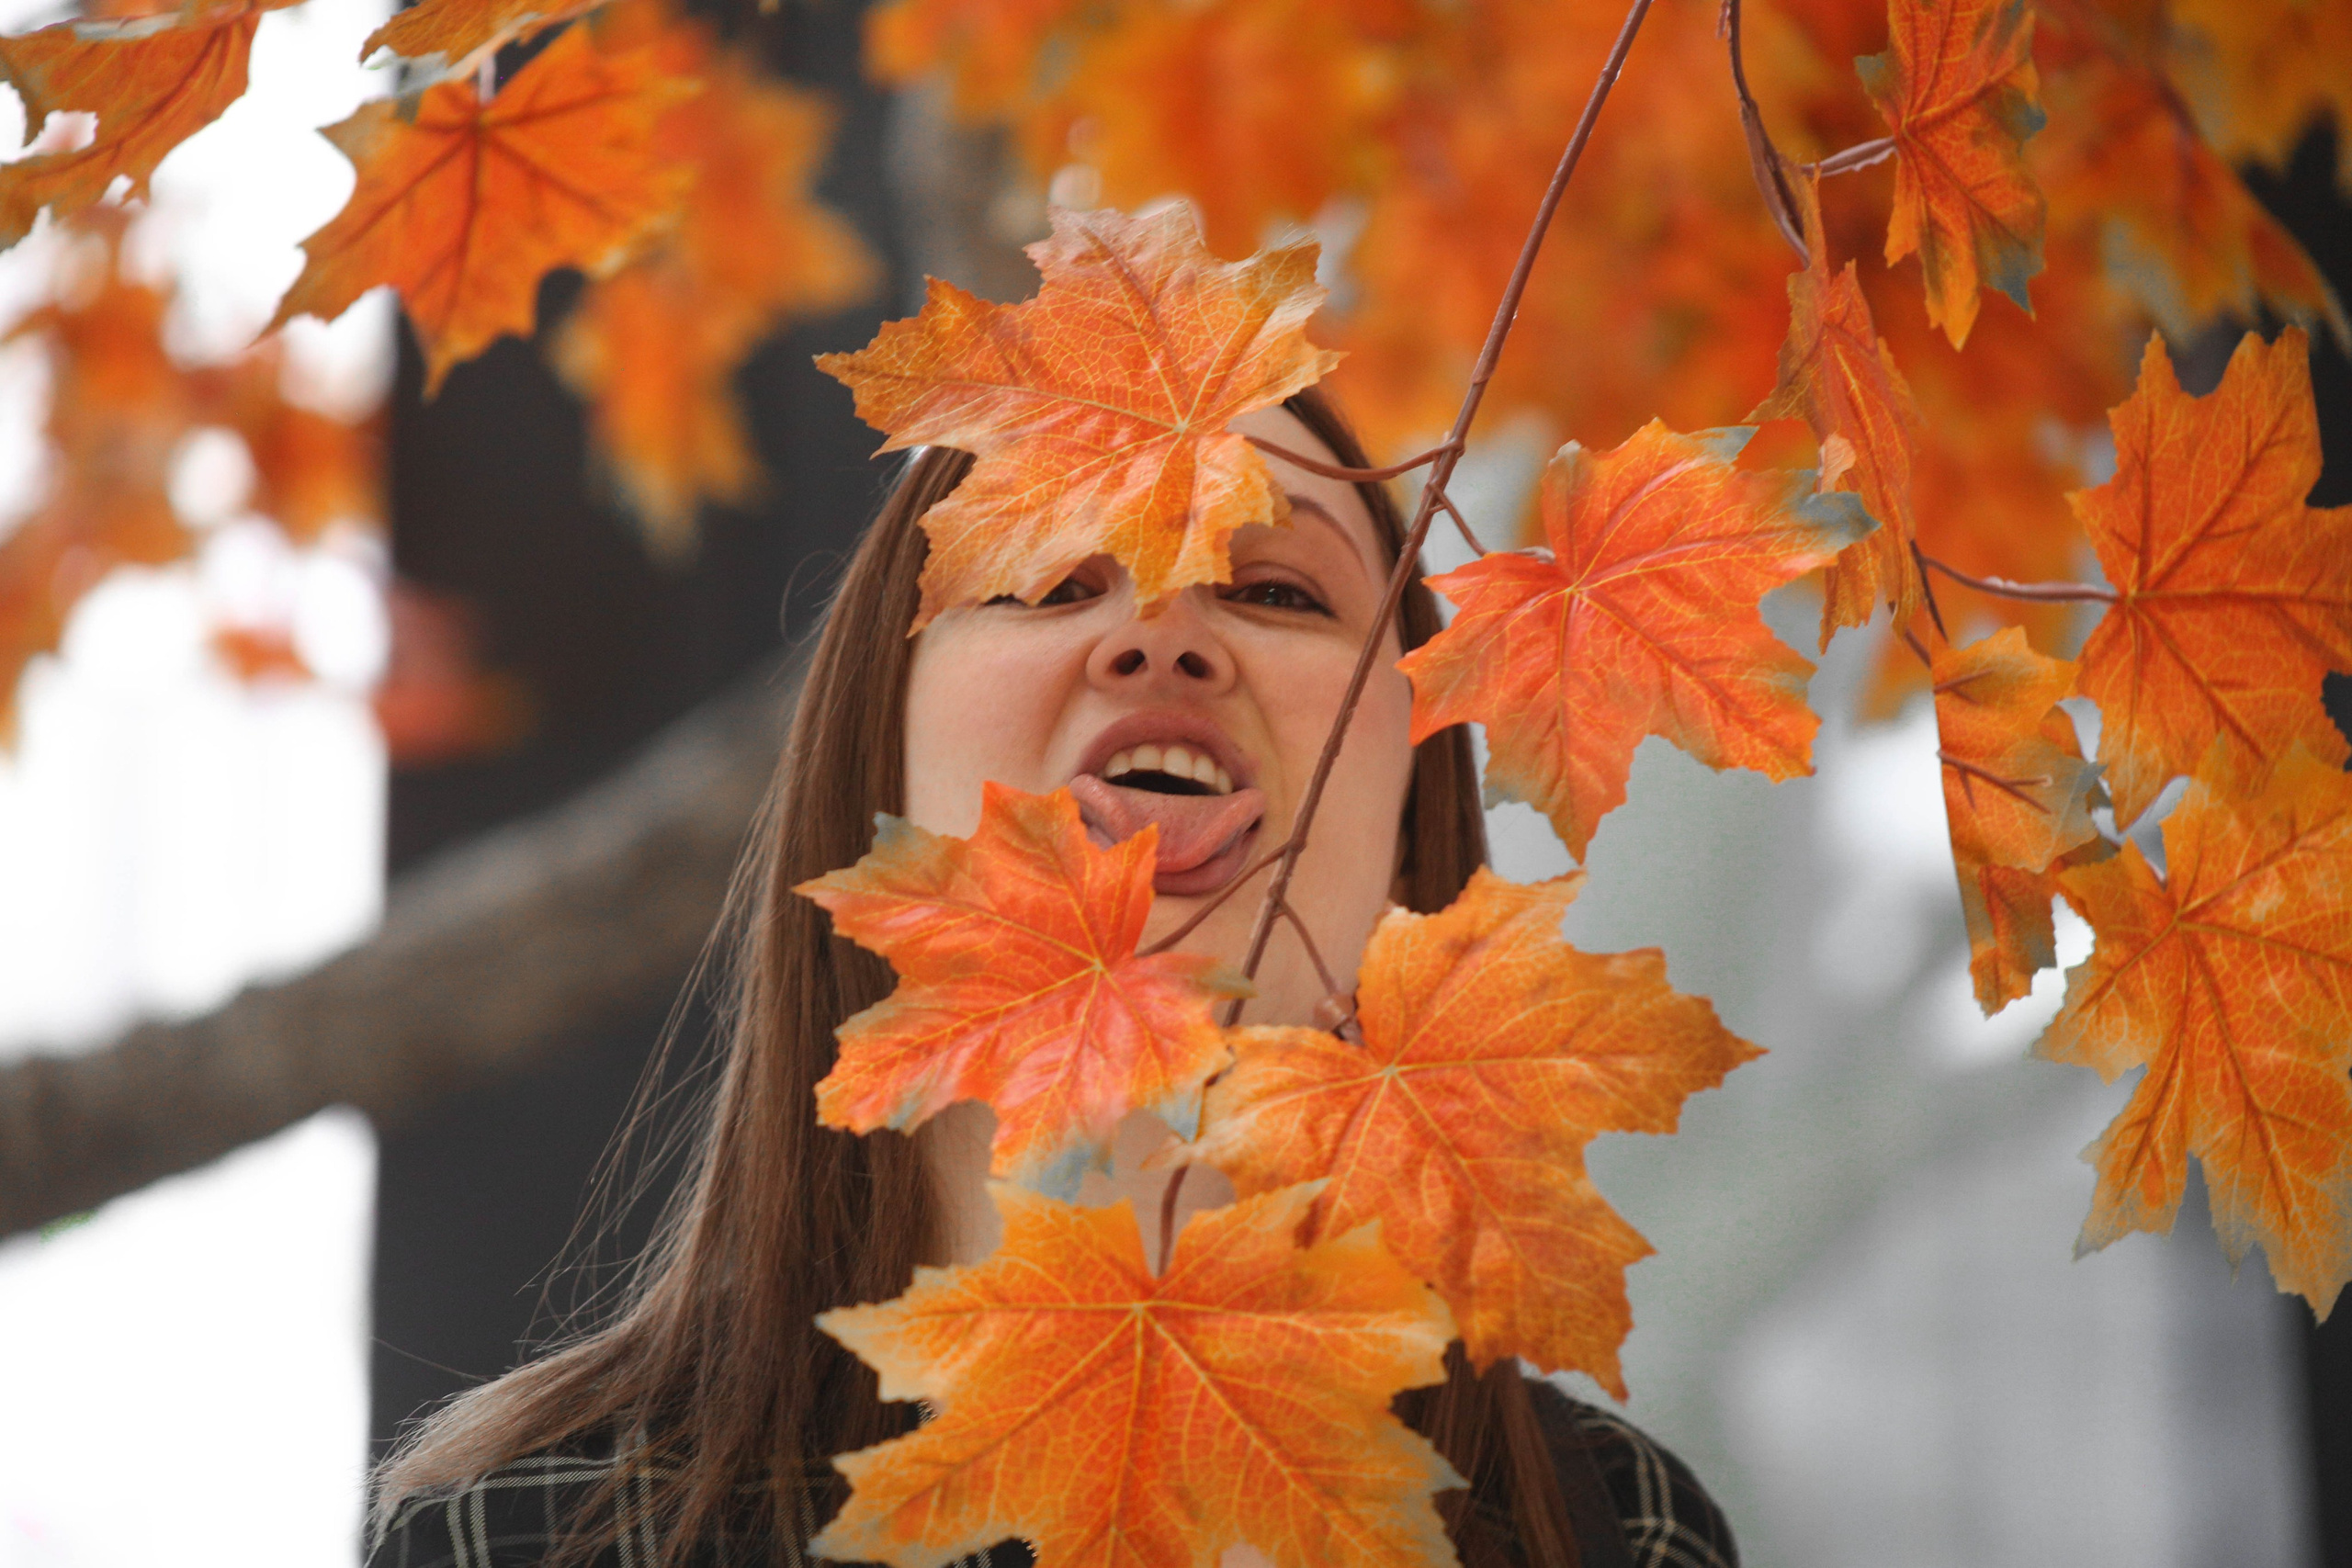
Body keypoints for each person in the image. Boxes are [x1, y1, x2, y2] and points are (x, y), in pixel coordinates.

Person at [365, 387, 1740, 1568]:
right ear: (876, 756)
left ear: (1412, 782)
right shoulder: (539, 1536)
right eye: (1049, 576)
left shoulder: (1612, 1534)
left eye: (1274, 589)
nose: (1161, 635)